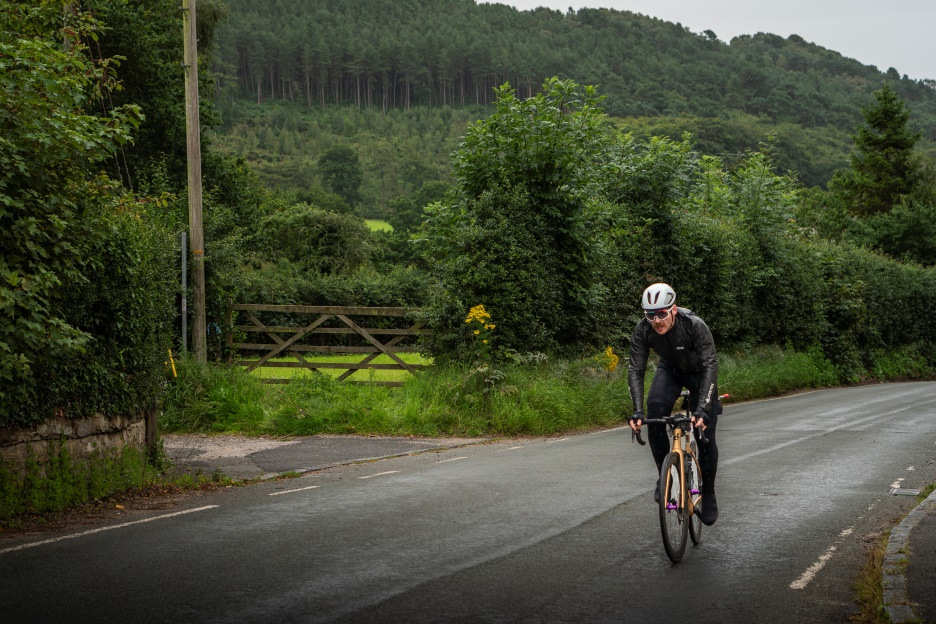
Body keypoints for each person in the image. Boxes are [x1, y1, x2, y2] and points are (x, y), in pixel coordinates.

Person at [627, 283, 722, 525]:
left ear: (674, 310)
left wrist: (702, 409)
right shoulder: (643, 330)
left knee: (704, 432)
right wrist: (637, 411)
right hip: (670, 370)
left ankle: (708, 491)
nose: (656, 320)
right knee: (655, 412)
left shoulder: (694, 326)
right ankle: (665, 476)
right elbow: (635, 370)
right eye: (651, 315)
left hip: (700, 374)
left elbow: (711, 366)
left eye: (662, 313)